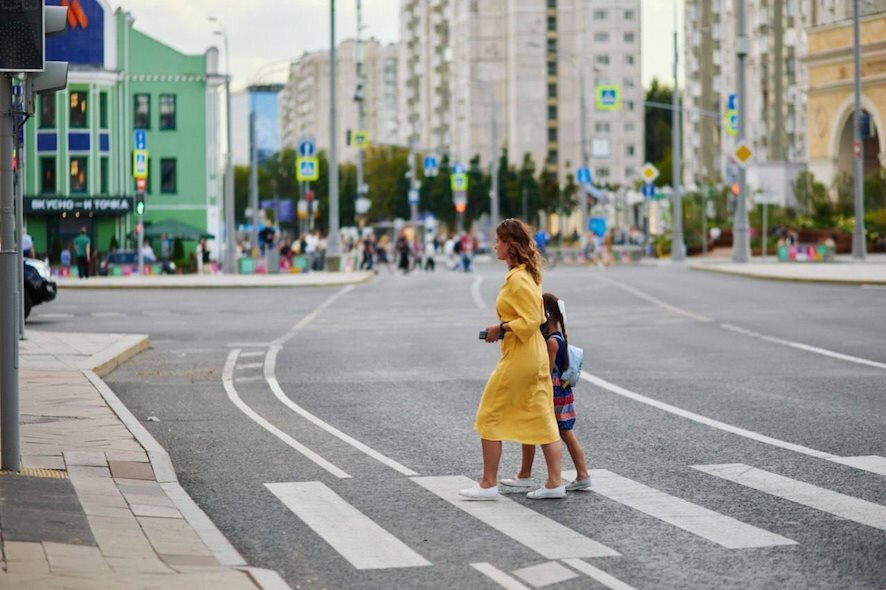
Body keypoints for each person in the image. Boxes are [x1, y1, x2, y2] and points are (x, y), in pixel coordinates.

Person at [459, 218, 565, 501]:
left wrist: (502, 329)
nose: (495, 246)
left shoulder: (519, 279)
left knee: (490, 414)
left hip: (523, 356)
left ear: (510, 245)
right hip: (531, 353)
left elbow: (532, 320)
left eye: (498, 241)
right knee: (541, 415)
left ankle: (487, 484)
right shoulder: (524, 274)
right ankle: (555, 482)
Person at [501, 293, 591, 492]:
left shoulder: (552, 342)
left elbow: (547, 371)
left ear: (546, 314)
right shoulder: (556, 338)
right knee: (562, 432)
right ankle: (579, 474)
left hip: (553, 392)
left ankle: (582, 474)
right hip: (560, 392)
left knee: (564, 433)